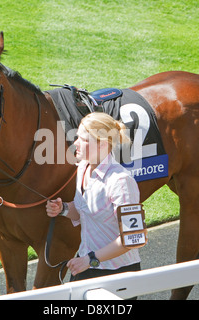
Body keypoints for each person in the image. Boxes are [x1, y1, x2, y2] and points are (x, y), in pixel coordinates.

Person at [46, 112, 142, 283]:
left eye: (83, 139)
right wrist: (63, 209)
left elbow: (132, 239)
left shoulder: (121, 182)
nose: (75, 143)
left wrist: (90, 259)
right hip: (86, 265)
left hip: (118, 274)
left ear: (102, 144)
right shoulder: (83, 168)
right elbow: (83, 211)